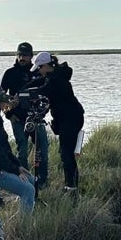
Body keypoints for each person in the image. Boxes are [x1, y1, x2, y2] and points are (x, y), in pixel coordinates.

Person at [26, 51, 86, 190]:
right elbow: (42, 85)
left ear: (47, 66)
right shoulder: (56, 76)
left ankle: (71, 186)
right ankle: (71, 184)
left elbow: (45, 90)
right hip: (70, 118)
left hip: (71, 119)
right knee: (66, 152)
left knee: (66, 153)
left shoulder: (56, 80)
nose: (39, 71)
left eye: (40, 68)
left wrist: (26, 94)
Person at [1, 41, 50, 184]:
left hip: (37, 118)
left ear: (31, 56)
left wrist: (42, 113)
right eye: (20, 54)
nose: (22, 58)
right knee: (22, 152)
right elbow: (1, 96)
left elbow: (47, 96)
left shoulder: (37, 72)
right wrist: (9, 115)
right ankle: (25, 182)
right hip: (18, 119)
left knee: (42, 151)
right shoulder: (10, 73)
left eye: (25, 55)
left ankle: (42, 182)